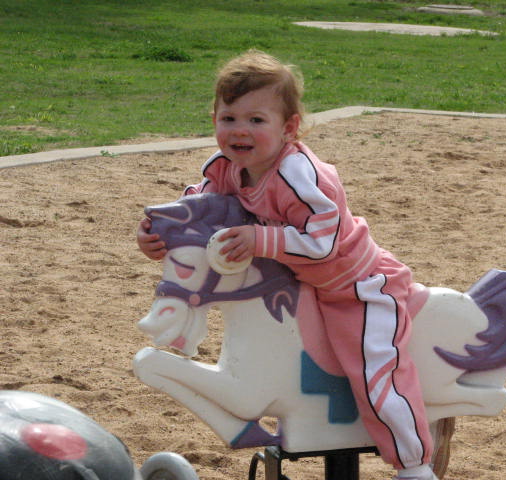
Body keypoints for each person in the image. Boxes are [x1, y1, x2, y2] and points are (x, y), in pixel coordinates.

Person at [137, 50, 437, 480]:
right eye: (229, 118)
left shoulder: (300, 174)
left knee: (376, 368)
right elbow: (199, 211)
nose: (240, 131)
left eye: (256, 120)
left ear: (289, 127)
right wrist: (158, 236)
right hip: (298, 281)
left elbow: (326, 240)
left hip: (357, 284)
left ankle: (415, 465)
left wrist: (261, 238)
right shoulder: (225, 167)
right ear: (214, 119)